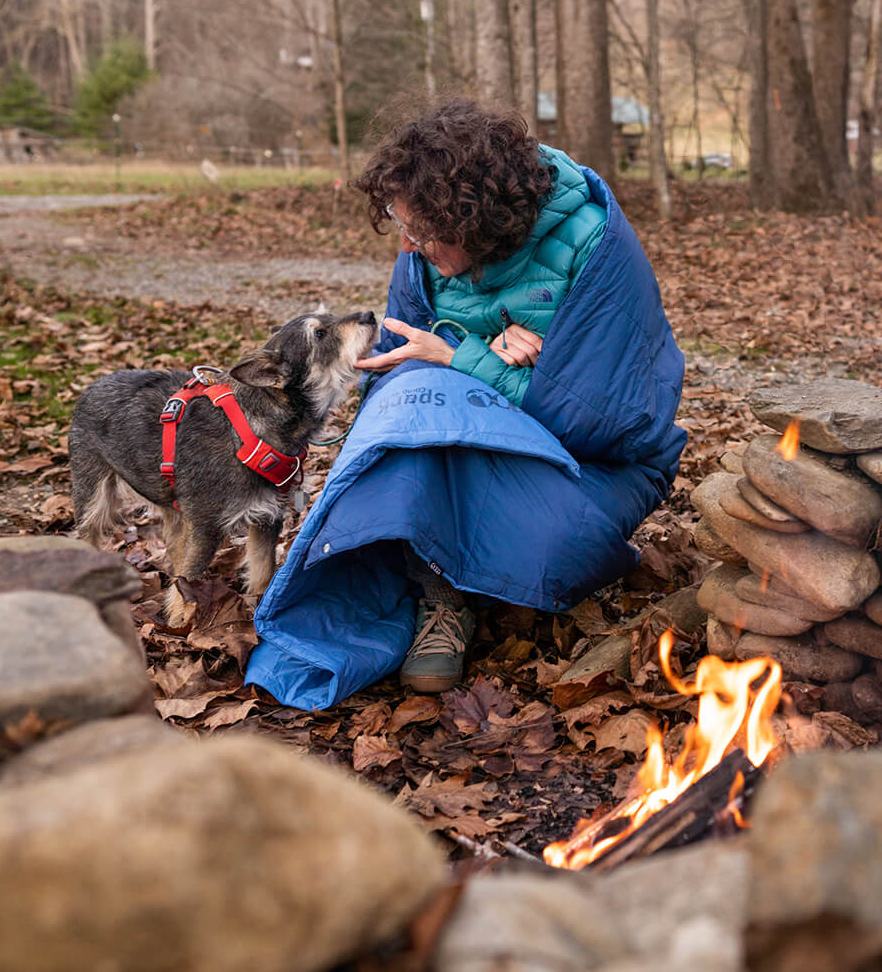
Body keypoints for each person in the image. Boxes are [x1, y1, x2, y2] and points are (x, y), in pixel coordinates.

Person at [243, 98, 686, 710]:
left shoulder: (595, 245)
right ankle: (439, 598)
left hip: (598, 462)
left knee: (557, 545)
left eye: (421, 235)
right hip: (479, 426)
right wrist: (473, 351)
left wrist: (462, 360)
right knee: (406, 414)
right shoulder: (424, 247)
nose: (408, 245)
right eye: (403, 228)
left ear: (475, 223)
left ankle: (461, 569)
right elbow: (402, 367)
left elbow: (608, 423)